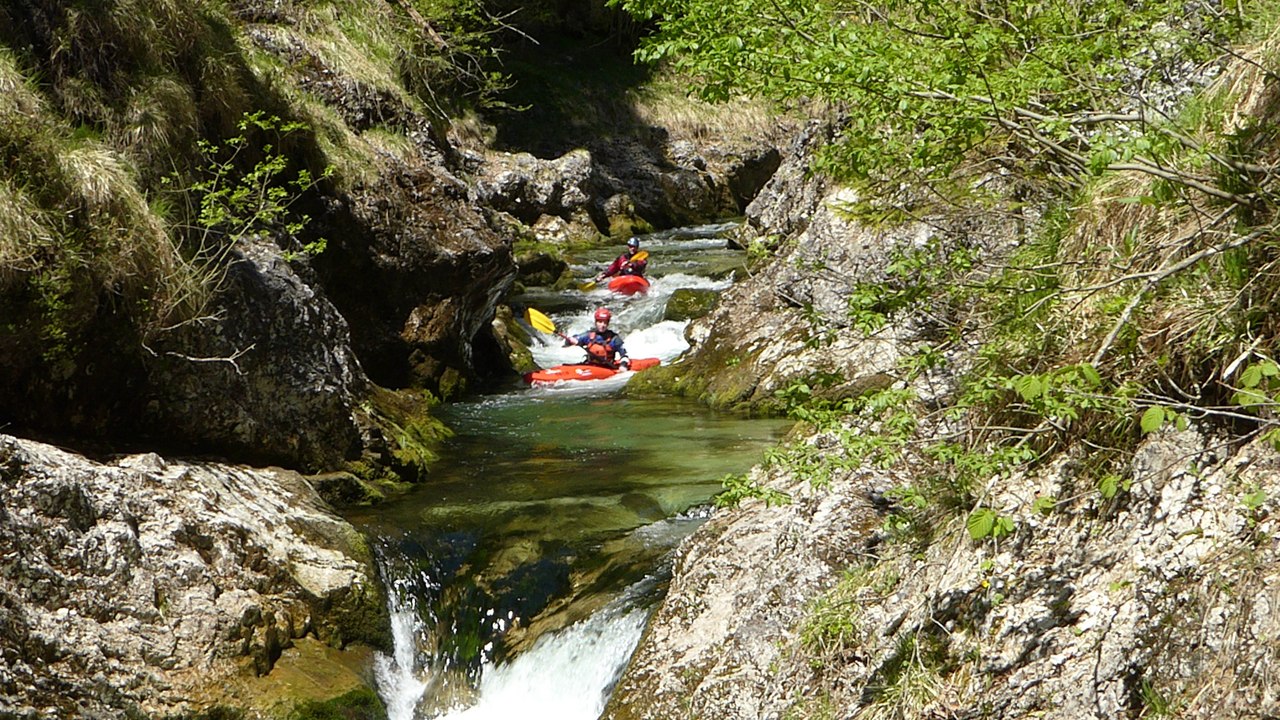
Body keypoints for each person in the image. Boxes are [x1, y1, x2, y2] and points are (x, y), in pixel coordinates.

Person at [564, 307, 630, 369]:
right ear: (596, 322)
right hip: (590, 365)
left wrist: (623, 365)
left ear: (608, 323)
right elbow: (568, 343)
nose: (602, 325)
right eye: (600, 322)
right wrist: (570, 341)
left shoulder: (614, 339)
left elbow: (624, 355)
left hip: (607, 367)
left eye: (605, 322)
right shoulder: (588, 336)